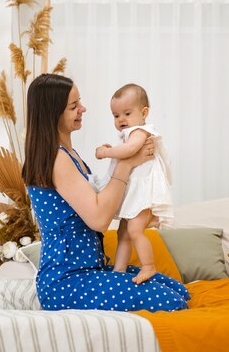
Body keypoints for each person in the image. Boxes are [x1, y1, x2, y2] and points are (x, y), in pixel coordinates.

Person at [22, 74, 189, 312]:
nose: (83, 108)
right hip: (67, 281)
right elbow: (100, 220)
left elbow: (103, 204)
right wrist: (127, 163)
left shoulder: (69, 155)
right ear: (53, 114)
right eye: (73, 106)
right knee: (170, 301)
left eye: (79, 101)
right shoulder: (57, 159)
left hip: (90, 270)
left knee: (177, 290)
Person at [92, 83, 173, 284]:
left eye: (127, 113)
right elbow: (126, 153)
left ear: (144, 112)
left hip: (145, 193)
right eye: (115, 115)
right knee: (123, 233)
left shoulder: (141, 131)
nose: (121, 120)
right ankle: (118, 271)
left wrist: (105, 152)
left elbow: (129, 151)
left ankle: (148, 267)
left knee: (135, 230)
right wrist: (115, 149)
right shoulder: (130, 134)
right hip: (135, 193)